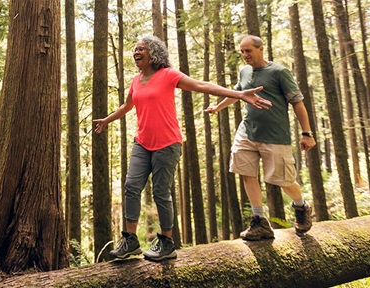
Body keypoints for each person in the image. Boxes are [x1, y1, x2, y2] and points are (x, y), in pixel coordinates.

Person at [93, 35, 271, 261]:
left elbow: (201, 85)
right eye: (135, 49)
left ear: (154, 53)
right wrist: (107, 120)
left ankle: (166, 242)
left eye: (141, 49)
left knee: (160, 192)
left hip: (167, 144)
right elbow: (128, 105)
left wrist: (238, 94)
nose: (136, 52)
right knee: (131, 186)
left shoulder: (168, 75)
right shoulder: (136, 80)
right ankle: (130, 239)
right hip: (142, 142)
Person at [205, 35, 316, 239]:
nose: (245, 55)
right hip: (247, 132)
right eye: (242, 52)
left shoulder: (279, 72)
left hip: (275, 136)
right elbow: (238, 94)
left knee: (283, 180)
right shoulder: (244, 72)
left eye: (249, 51)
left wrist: (307, 133)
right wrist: (218, 107)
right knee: (247, 173)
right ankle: (260, 221)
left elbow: (298, 102)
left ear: (261, 49)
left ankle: (301, 206)